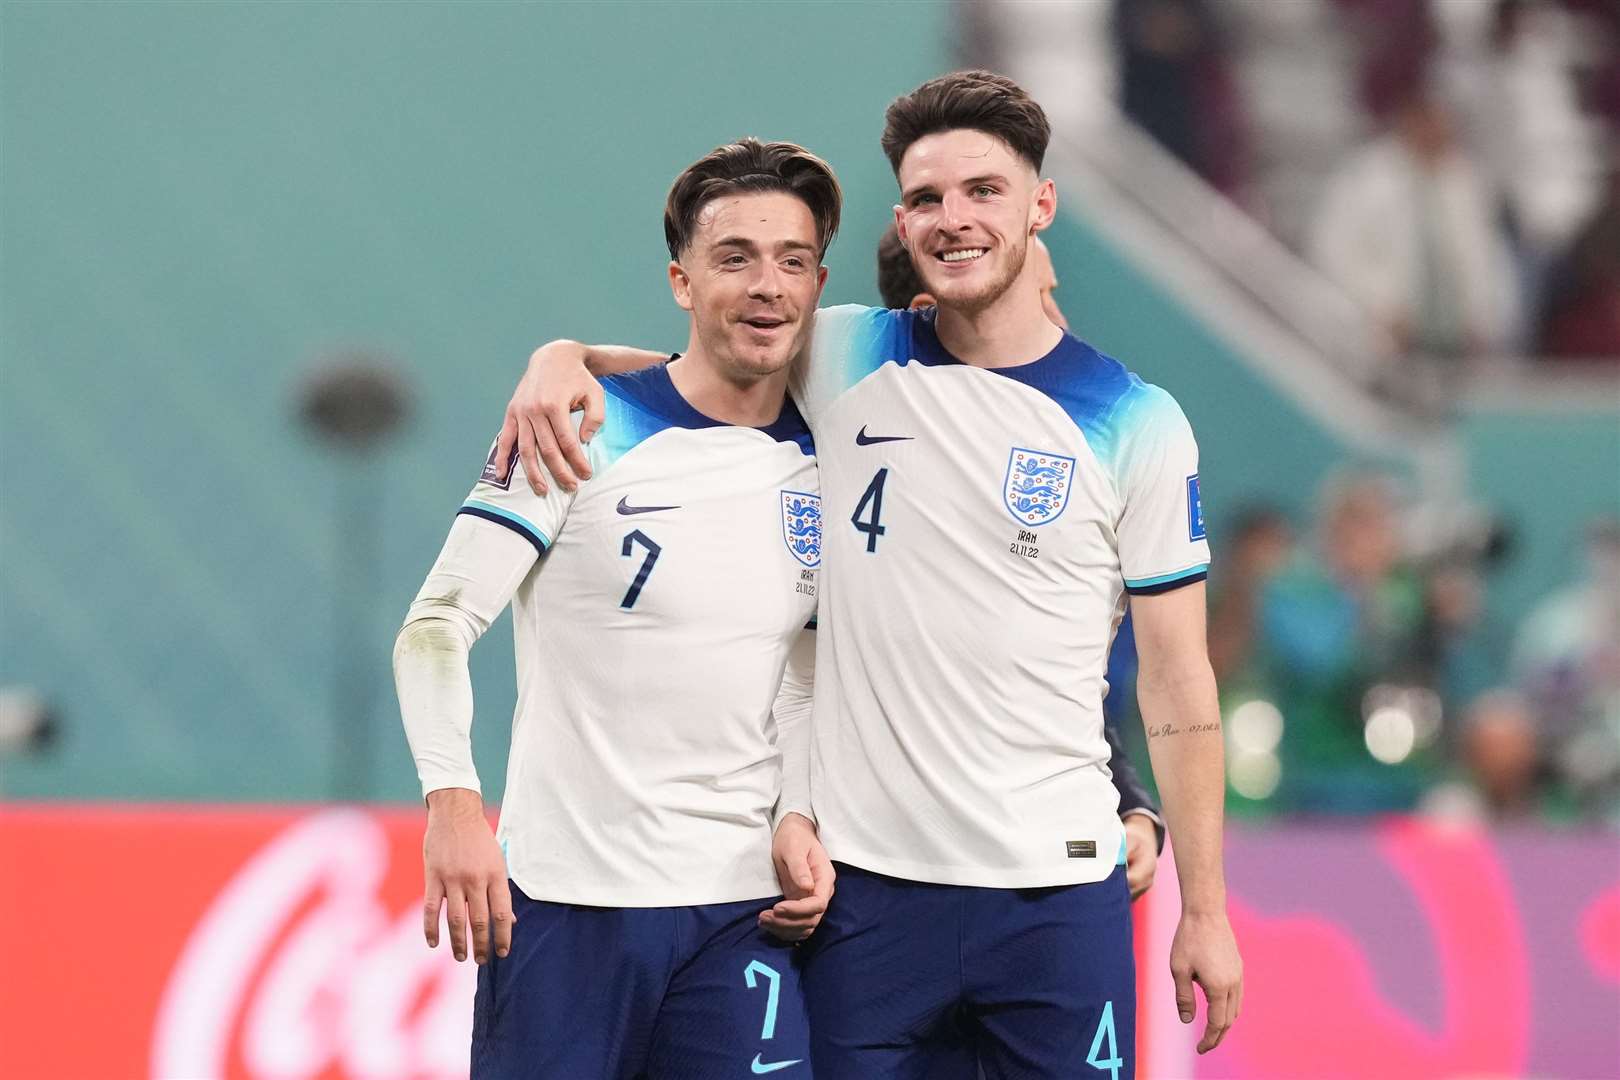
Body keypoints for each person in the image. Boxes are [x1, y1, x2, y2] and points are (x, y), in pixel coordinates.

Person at [499, 71, 1242, 1076]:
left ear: (1041, 205)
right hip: (867, 900)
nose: (956, 218)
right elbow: (704, 367)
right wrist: (566, 356)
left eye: (984, 190)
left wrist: (1206, 907)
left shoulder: (1138, 423)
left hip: (1058, 899)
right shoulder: (846, 354)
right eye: (929, 198)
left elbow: (1178, 682)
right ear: (904, 219)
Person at [393, 138, 843, 1078]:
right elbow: (436, 628)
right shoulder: (580, 425)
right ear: (681, 281)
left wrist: (796, 810)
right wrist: (454, 806)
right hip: (566, 906)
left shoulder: (829, 453)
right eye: (735, 259)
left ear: (818, 280)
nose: (767, 285)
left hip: (741, 914)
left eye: (791, 261)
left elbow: (802, 664)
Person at [877, 220, 1165, 898]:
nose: (1061, 323)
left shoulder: (1070, 471)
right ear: (929, 314)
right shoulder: (837, 444)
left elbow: (1059, 682)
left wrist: (1129, 801)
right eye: (1035, 296)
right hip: (877, 869)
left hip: (1034, 873)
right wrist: (575, 359)